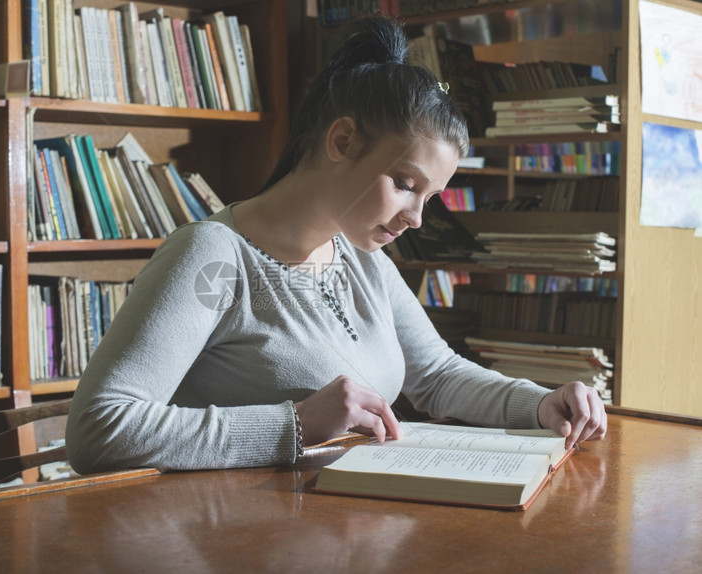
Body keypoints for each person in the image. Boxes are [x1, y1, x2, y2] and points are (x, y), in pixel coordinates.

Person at [65, 16, 607, 472]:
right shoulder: (212, 257)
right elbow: (98, 429)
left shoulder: (362, 257)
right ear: (341, 141)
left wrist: (539, 403)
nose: (416, 218)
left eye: (431, 198)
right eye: (405, 185)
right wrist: (296, 424)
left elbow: (438, 376)